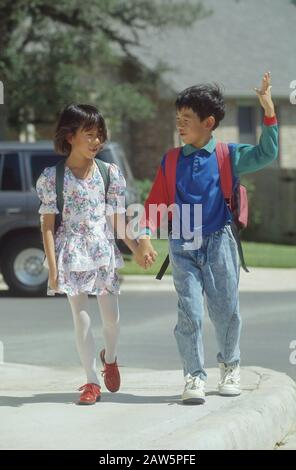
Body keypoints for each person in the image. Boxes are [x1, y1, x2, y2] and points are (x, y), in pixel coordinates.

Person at [136, 72, 279, 404]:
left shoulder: (228, 155)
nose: (179, 125)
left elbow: (267, 153)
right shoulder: (171, 160)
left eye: (186, 119)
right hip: (182, 242)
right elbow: (155, 203)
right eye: (178, 119)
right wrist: (143, 236)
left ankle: (230, 367)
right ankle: (193, 377)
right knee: (189, 312)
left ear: (209, 122)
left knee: (226, 310)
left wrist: (269, 110)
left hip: (219, 241)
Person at [36, 103, 148, 405]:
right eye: (90, 134)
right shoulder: (52, 177)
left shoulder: (109, 173)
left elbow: (116, 218)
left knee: (111, 319)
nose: (96, 141)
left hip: (102, 252)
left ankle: (109, 358)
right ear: (70, 136)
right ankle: (90, 381)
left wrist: (136, 248)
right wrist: (54, 269)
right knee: (81, 317)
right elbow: (47, 226)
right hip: (71, 251)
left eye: (100, 135)